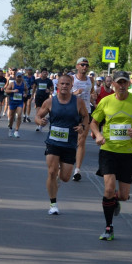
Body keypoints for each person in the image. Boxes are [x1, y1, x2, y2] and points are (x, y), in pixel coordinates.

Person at [89, 71, 132, 241]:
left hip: (128, 153)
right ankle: (108, 227)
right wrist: (97, 135)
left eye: (124, 82)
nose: (121, 85)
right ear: (113, 84)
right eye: (119, 82)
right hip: (108, 150)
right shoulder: (106, 101)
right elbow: (94, 122)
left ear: (128, 84)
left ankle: (113, 201)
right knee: (109, 188)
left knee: (124, 195)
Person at [34, 73, 89, 215]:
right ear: (57, 86)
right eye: (62, 84)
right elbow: (38, 116)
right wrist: (39, 121)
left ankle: (58, 178)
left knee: (65, 177)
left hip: (70, 144)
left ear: (72, 86)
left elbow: (85, 116)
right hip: (53, 142)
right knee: (51, 171)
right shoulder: (50, 101)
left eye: (67, 84)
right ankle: (53, 204)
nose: (64, 86)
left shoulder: (78, 102)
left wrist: (82, 126)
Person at [71, 57, 97, 182]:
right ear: (77, 66)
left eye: (86, 65)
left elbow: (92, 94)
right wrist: (75, 93)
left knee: (81, 141)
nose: (84, 67)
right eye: (82, 64)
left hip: (86, 112)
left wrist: (94, 99)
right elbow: (62, 94)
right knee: (71, 140)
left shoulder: (90, 80)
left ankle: (77, 170)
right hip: (72, 112)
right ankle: (65, 163)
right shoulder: (71, 79)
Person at [5, 71, 28, 138]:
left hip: (20, 102)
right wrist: (13, 91)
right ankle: (10, 129)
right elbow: (6, 90)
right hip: (12, 102)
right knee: (12, 117)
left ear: (21, 77)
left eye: (20, 77)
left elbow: (26, 90)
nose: (19, 78)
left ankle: (16, 131)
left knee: (19, 115)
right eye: (18, 77)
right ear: (16, 78)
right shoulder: (12, 84)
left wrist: (25, 94)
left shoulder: (24, 84)